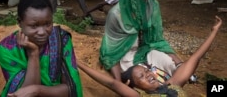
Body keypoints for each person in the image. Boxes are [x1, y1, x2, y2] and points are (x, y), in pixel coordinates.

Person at [78, 15, 222, 97]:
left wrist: (214, 32)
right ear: (132, 87)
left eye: (147, 71)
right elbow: (112, 83)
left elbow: (195, 58)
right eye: (141, 77)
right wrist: (78, 63)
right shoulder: (138, 96)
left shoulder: (173, 85)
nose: (149, 75)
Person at [99, 0, 182, 81]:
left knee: (170, 65)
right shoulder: (115, 14)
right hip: (125, 56)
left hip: (146, 50)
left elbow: (157, 40)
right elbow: (111, 52)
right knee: (147, 79)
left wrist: (179, 64)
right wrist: (119, 84)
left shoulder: (152, 5)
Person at [0, 0, 83, 97]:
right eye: (34, 26)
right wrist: (33, 54)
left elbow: (71, 88)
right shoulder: (6, 49)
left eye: (48, 24)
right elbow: (22, 93)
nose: (42, 32)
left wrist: (37, 90)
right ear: (20, 22)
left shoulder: (61, 40)